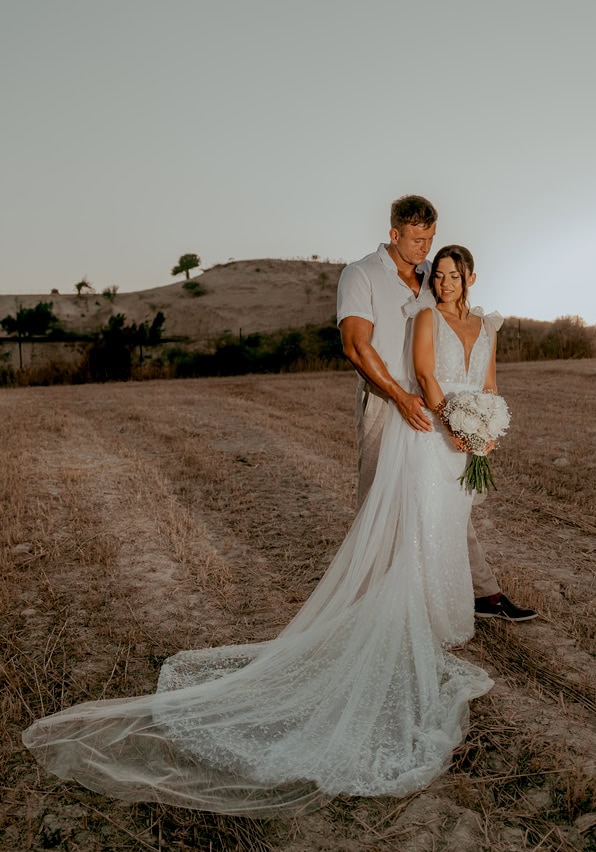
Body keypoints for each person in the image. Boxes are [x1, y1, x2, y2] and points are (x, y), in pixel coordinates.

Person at [22, 243, 501, 818]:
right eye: (439, 272)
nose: (445, 280)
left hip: (467, 446)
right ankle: (411, 622)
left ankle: (445, 616)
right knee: (422, 530)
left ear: (470, 276)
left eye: (454, 273)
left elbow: (490, 383)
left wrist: (487, 431)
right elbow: (425, 373)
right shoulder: (424, 315)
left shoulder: (487, 323)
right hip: (436, 437)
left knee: (451, 528)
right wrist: (454, 427)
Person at [337, 195, 536, 623]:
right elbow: (356, 345)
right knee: (379, 503)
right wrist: (400, 395)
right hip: (387, 400)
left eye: (429, 239)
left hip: (435, 403)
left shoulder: (432, 276)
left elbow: (458, 319)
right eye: (415, 240)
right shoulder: (361, 274)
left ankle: (482, 592)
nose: (423, 249)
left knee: (445, 499)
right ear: (394, 234)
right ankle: (371, 605)